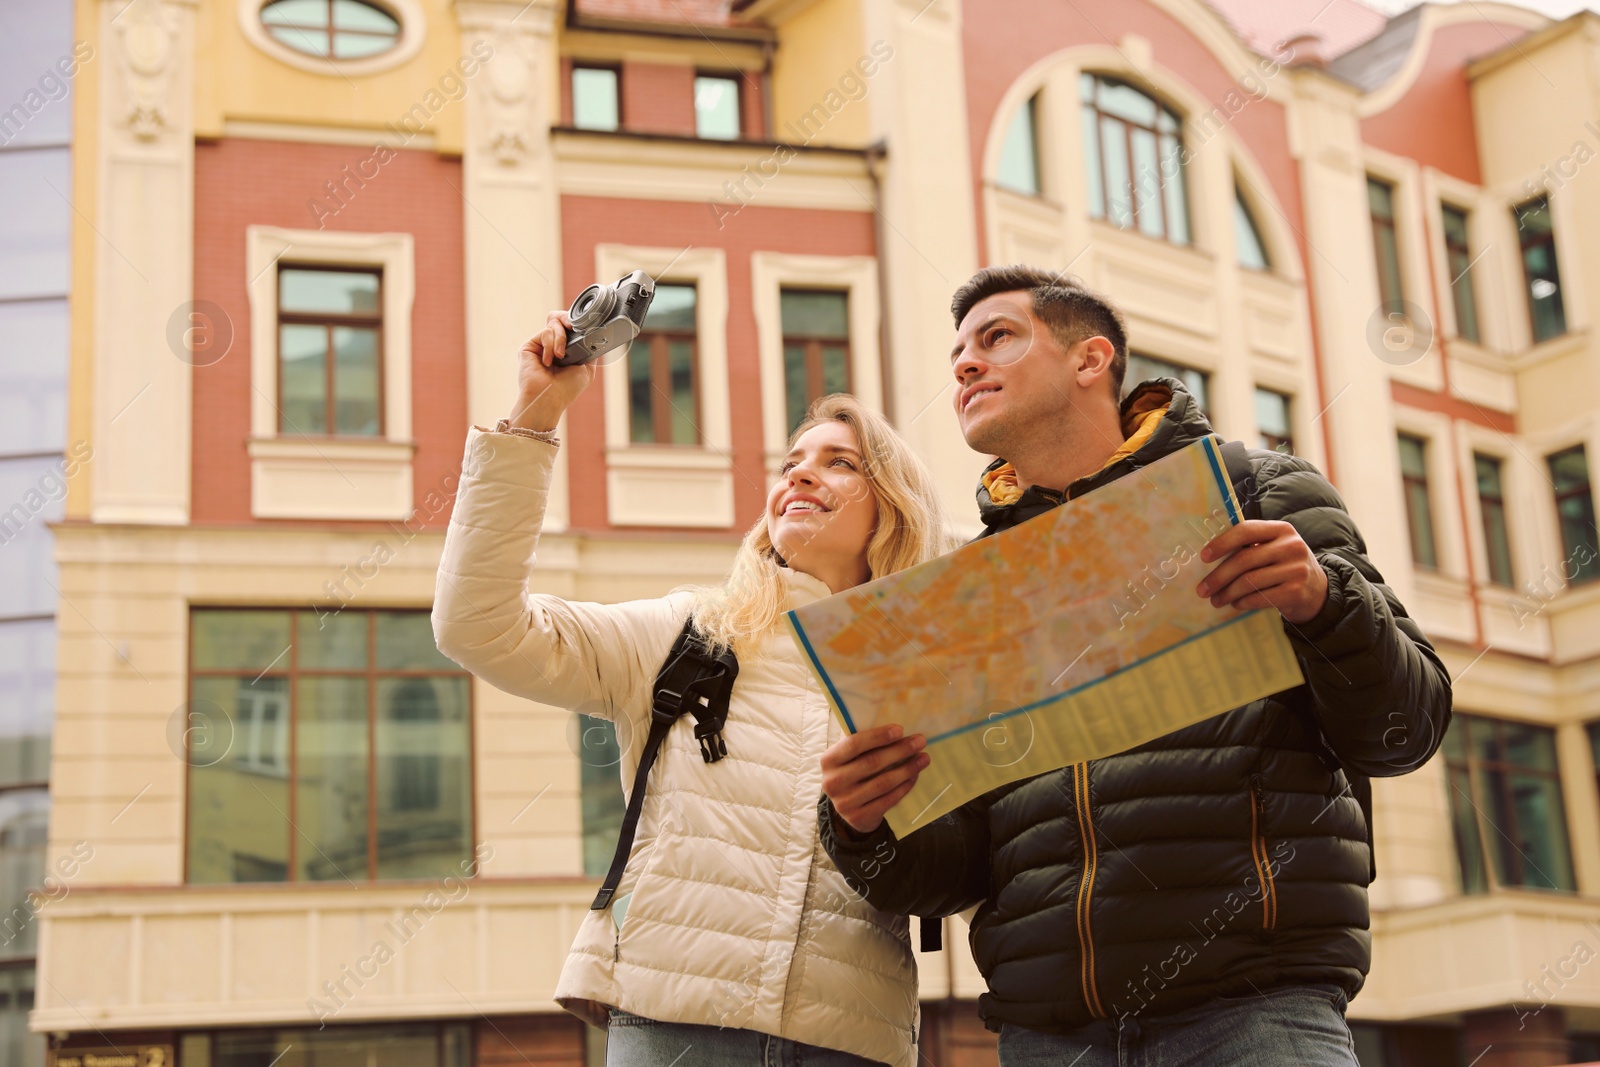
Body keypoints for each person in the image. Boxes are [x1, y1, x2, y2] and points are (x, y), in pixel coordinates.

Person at [817, 266, 1452, 1066]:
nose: (965, 365)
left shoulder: (1256, 489)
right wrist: (866, 824)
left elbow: (1407, 728)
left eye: (997, 337)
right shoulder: (970, 588)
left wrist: (1324, 601)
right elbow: (959, 868)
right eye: (958, 353)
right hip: (1047, 1036)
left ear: (1091, 360)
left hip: (1254, 1016)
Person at [432, 309, 952, 1067]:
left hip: (853, 1040)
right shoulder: (689, 632)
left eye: (841, 463)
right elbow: (478, 626)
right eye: (791, 463)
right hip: (673, 1026)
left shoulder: (931, 669)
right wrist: (535, 415)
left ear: (894, 505)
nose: (800, 474)